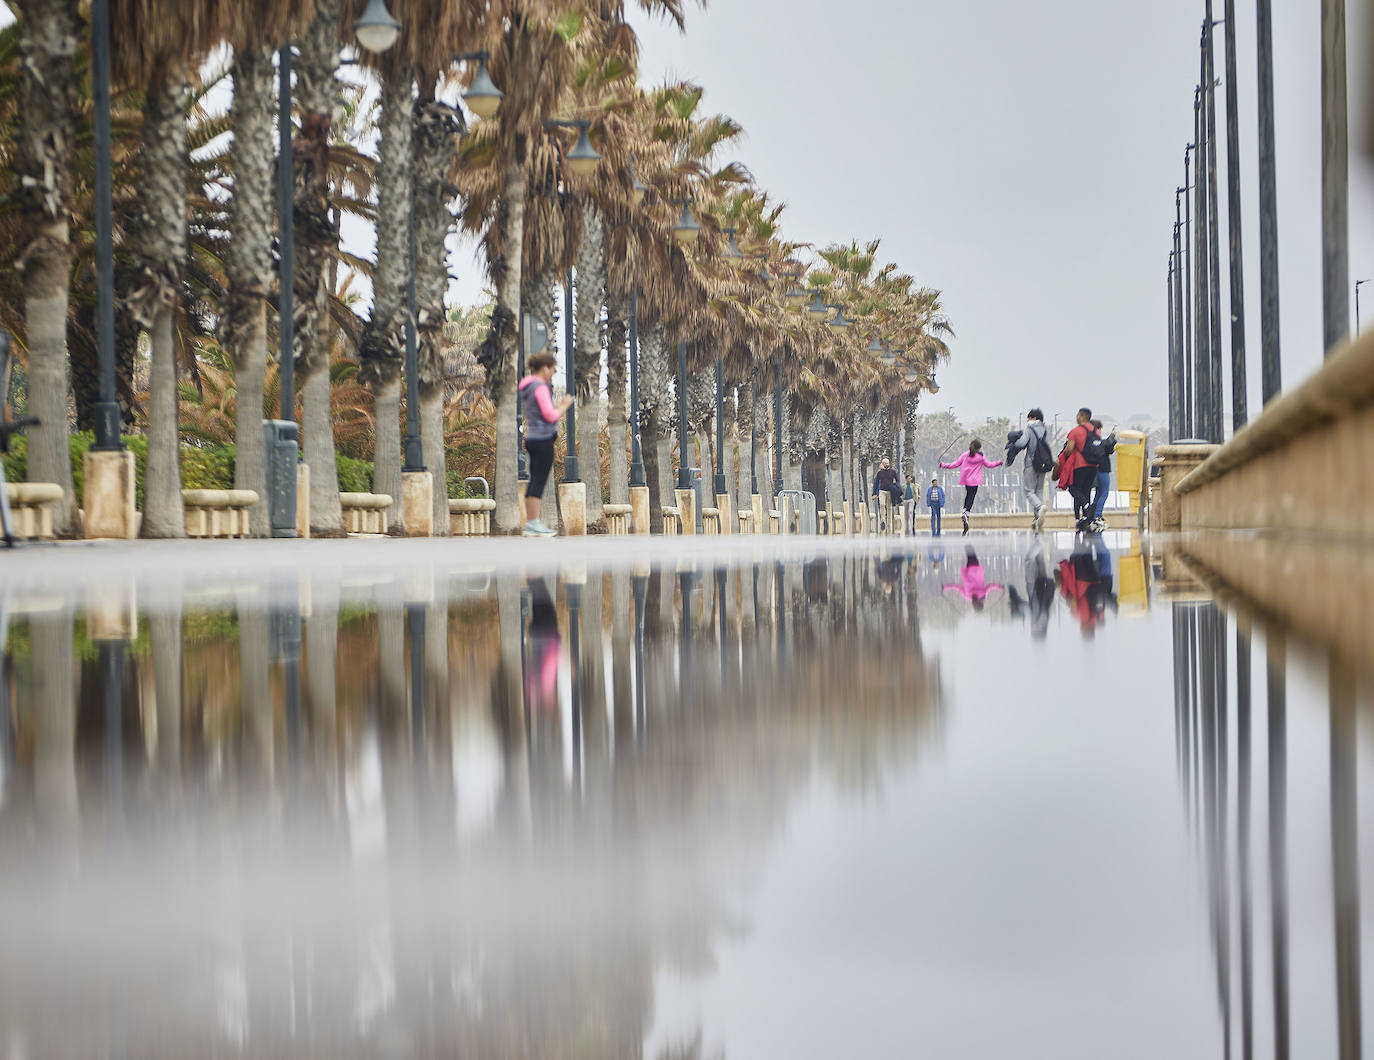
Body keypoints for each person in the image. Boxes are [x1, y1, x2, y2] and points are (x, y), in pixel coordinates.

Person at [518, 351, 572, 538]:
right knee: (538, 481)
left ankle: (532, 523)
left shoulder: (526, 387)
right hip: (542, 440)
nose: (553, 374)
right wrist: (564, 405)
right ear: (545, 368)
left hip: (532, 437)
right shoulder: (539, 387)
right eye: (553, 370)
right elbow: (550, 415)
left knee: (535, 480)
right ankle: (532, 523)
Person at [941, 439, 1003, 536]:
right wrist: (999, 463)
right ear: (979, 448)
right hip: (975, 481)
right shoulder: (981, 456)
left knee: (968, 495)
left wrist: (943, 465)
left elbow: (955, 464)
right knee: (971, 497)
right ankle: (966, 513)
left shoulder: (965, 455)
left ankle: (964, 511)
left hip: (966, 480)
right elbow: (989, 465)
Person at [1005, 408, 1051, 533]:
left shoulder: (1030, 429)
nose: (1028, 420)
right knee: (1039, 490)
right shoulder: (1045, 429)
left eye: (1029, 418)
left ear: (1034, 418)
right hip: (1043, 464)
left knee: (1028, 491)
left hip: (1031, 464)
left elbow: (1022, 443)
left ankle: (1039, 507)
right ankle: (1037, 518)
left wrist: (1014, 443)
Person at [1054, 407, 1099, 531]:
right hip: (1093, 466)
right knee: (1086, 491)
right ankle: (1085, 517)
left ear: (1081, 416)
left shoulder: (1075, 431)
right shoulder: (1096, 431)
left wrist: (1065, 459)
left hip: (1079, 466)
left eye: (1078, 415)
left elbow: (1069, 449)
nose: (1076, 417)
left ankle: (1086, 506)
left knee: (1074, 489)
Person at [942, 547, 1004, 612]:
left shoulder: (983, 594)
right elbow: (956, 587)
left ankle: (966, 541)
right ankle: (966, 542)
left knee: (971, 552)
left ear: (981, 603)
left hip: (976, 569)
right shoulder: (967, 596)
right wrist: (945, 587)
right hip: (968, 570)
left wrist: (1001, 587)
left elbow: (990, 586)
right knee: (969, 554)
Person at [1088, 418, 1117, 532]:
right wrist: (1111, 437)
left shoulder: (1092, 441)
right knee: (1104, 492)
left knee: (1098, 493)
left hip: (1095, 470)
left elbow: (1108, 449)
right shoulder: (1096, 441)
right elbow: (1104, 445)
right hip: (1102, 469)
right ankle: (1097, 515)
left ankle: (1093, 514)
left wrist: (1113, 440)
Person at [872, 459, 901, 531]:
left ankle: (889, 523)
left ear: (889, 463)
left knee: (889, 507)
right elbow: (875, 483)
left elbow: (897, 480)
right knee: (882, 505)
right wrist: (874, 493)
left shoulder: (893, 471)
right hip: (882, 491)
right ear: (882, 464)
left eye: (887, 463)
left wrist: (896, 487)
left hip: (890, 491)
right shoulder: (880, 473)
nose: (886, 464)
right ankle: (883, 521)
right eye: (884, 463)